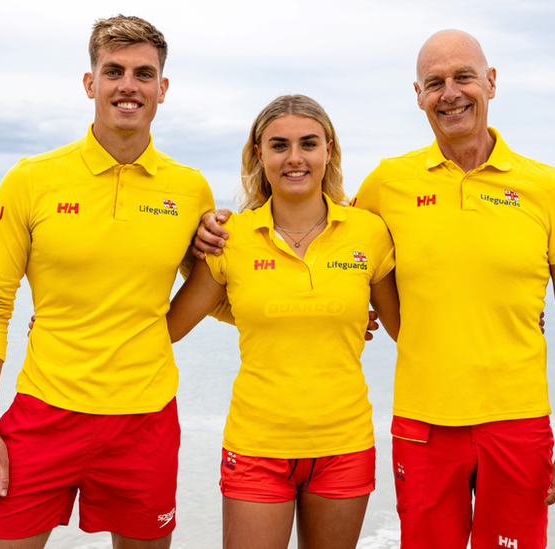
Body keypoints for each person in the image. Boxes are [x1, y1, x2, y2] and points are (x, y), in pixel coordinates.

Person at [194, 30, 555, 549]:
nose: (449, 93)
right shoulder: (388, 184)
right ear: (418, 95)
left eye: (463, 78)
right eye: (435, 83)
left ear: (491, 83)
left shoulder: (547, 187)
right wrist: (215, 238)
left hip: (517, 424)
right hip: (422, 427)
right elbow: (320, 251)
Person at [0, 15, 214, 549]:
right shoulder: (32, 179)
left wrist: (333, 308)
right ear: (90, 83)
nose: (129, 85)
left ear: (162, 89)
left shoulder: (190, 190)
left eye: (144, 74)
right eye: (114, 71)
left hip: (145, 422)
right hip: (42, 414)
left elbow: (214, 291)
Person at [167, 94, 400, 549]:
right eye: (279, 146)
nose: (295, 158)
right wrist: (70, 326)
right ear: (259, 154)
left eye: (308, 143)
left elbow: (408, 329)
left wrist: (508, 316)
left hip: (344, 444)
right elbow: (165, 329)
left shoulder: (368, 233)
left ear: (328, 150)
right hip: (256, 446)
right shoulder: (230, 239)